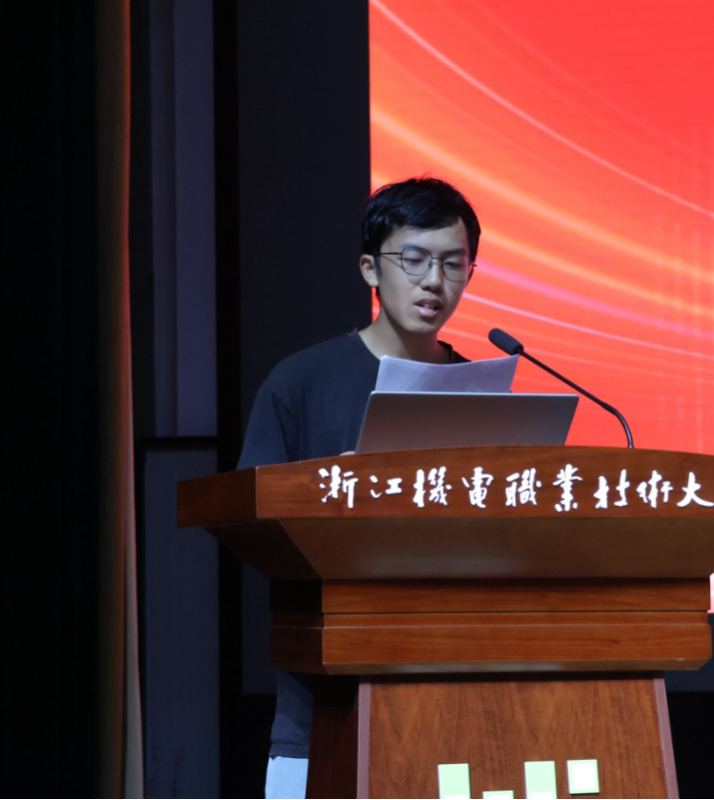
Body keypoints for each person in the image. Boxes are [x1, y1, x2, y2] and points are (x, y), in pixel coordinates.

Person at [235, 177, 481, 799]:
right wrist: (329, 492)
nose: (434, 282)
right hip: (323, 709)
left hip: (460, 707)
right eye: (414, 260)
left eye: (453, 264)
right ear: (371, 268)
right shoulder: (301, 382)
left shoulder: (481, 393)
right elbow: (248, 524)